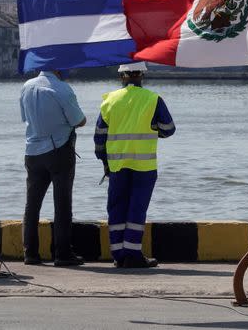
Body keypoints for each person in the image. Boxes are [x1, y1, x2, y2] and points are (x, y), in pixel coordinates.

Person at [94, 62, 176, 268]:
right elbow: (169, 129)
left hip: (117, 165)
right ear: (142, 76)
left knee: (116, 208)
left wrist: (105, 162)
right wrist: (152, 127)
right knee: (137, 209)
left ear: (122, 76)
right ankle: (133, 253)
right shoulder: (153, 99)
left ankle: (118, 255)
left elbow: (99, 138)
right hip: (144, 166)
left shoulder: (110, 100)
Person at [20, 69, 87, 266]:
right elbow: (79, 120)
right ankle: (63, 254)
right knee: (62, 205)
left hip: (32, 152)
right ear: (58, 68)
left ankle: (30, 253)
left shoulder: (27, 87)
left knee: (32, 205)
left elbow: (25, 117)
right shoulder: (62, 88)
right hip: (58, 150)